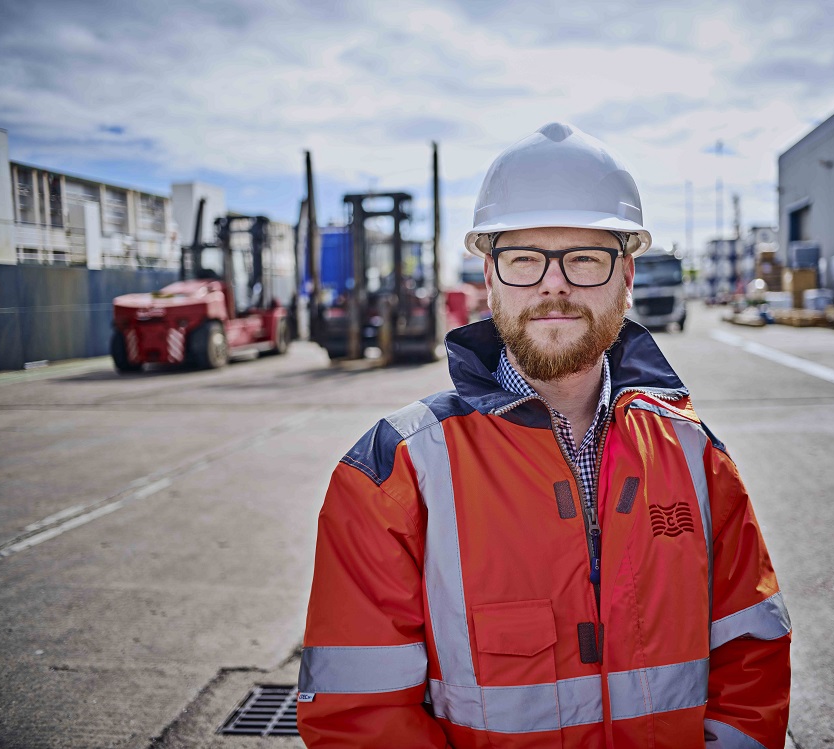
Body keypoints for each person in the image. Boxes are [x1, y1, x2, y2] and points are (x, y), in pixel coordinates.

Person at [297, 122, 791, 748]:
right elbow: (357, 715)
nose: (554, 284)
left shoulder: (696, 455)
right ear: (490, 275)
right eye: (525, 259)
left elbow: (753, 660)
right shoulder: (395, 471)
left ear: (627, 275)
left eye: (585, 258)